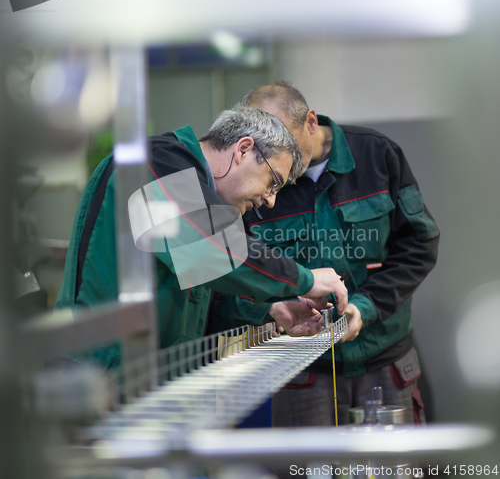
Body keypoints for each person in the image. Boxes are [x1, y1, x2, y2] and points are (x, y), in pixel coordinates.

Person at [55, 106, 348, 369]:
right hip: (98, 380)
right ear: (243, 150)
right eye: (273, 182)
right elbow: (210, 250)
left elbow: (200, 296)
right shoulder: (151, 164)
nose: (270, 200)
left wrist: (271, 307)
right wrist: (306, 280)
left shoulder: (206, 205)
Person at [218, 82, 439, 430]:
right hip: (301, 370)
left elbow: (419, 245)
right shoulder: (255, 185)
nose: (278, 156)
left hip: (384, 359)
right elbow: (232, 275)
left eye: (285, 140)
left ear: (309, 121)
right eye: (265, 144)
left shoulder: (377, 156)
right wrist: (274, 308)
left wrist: (364, 308)